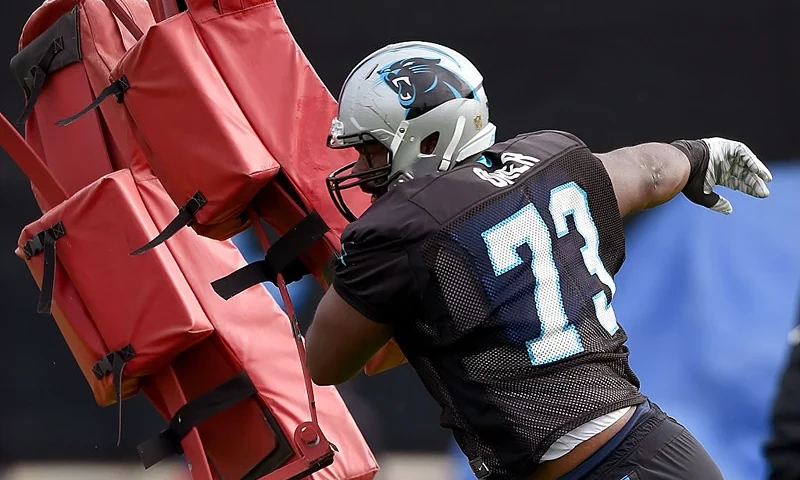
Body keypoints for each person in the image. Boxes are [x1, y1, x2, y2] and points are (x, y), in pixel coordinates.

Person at [305, 41, 773, 480]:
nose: (364, 171)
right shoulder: (550, 161)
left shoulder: (403, 229)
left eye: (372, 150)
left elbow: (325, 364)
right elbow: (648, 172)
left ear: (427, 140)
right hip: (652, 446)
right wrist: (697, 154)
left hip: (602, 468)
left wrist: (307, 248)